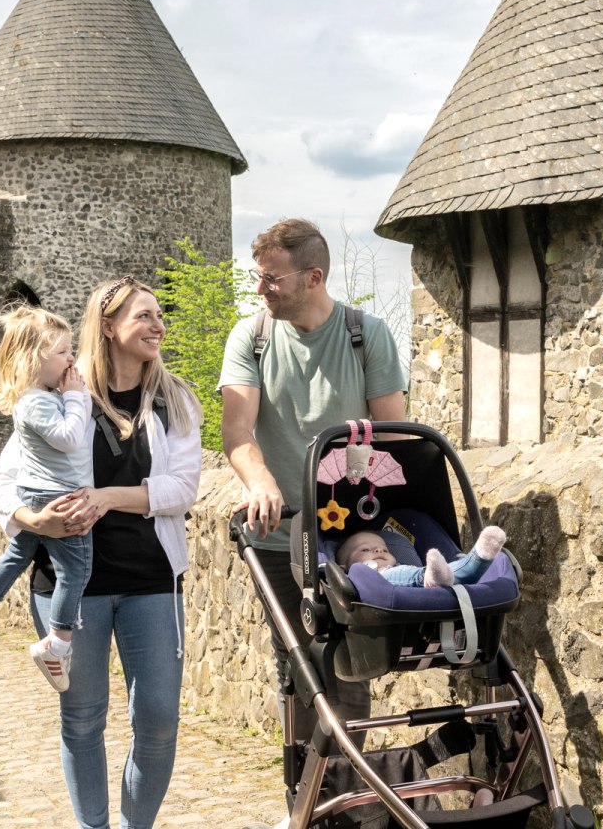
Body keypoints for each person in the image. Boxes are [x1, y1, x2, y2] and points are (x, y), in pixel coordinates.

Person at [219, 218, 407, 787]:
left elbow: (394, 436)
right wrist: (261, 482)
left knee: (349, 665)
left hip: (350, 525)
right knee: (298, 662)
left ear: (314, 277)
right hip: (279, 533)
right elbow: (238, 429)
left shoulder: (364, 335)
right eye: (259, 277)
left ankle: (345, 795)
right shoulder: (249, 337)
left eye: (271, 279)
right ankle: (303, 793)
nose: (261, 289)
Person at [26, 275, 205, 829]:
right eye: (143, 316)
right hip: (68, 585)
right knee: (82, 718)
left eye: (158, 315)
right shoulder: (59, 393)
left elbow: (182, 490)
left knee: (158, 720)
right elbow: (2, 481)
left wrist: (105, 498)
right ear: (108, 327)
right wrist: (32, 518)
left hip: (151, 577)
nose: (158, 326)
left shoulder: (174, 400)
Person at [0, 304, 92, 692]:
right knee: (75, 572)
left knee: (18, 553)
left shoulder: (39, 397)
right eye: (63, 352)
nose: (72, 359)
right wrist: (76, 397)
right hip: (58, 496)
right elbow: (69, 438)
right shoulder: (39, 400)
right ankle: (58, 643)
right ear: (36, 359)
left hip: (38, 492)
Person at [338, 526, 506, 588]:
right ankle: (430, 579)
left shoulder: (401, 567)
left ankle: (478, 559)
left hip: (425, 574)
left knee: (450, 570)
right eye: (366, 549)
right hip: (385, 584)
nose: (378, 551)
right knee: (410, 574)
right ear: (343, 568)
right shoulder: (353, 578)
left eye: (384, 549)